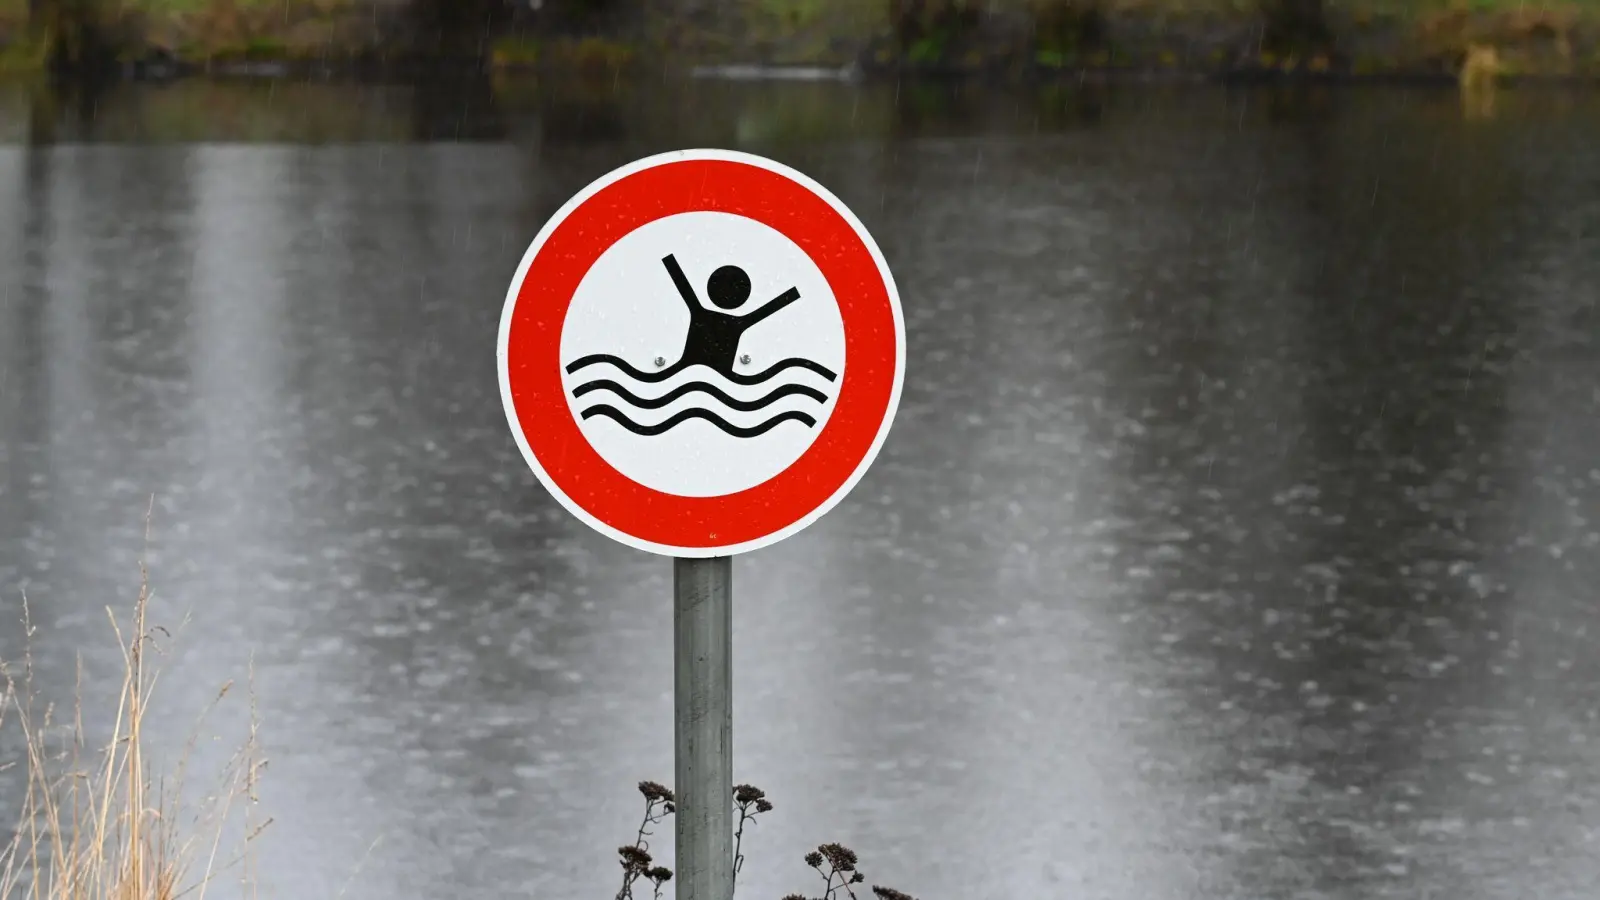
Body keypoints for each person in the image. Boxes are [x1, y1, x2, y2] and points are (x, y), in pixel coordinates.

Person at [662, 254, 800, 376]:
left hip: (683, 376)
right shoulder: (736, 323)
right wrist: (793, 293)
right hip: (721, 384)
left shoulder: (702, 314)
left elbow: (683, 286)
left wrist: (669, 260)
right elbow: (769, 308)